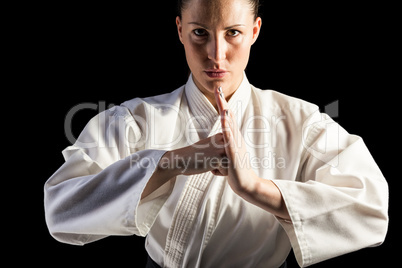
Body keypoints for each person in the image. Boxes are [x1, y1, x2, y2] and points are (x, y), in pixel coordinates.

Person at [44, 0, 389, 267]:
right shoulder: (137, 119)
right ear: (180, 29)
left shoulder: (300, 121)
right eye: (200, 33)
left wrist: (256, 188)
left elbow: (371, 209)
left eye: (233, 33)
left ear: (255, 31)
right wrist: (175, 161)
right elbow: (61, 209)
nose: (216, 54)